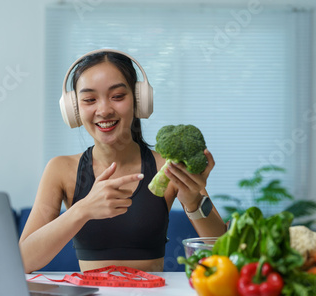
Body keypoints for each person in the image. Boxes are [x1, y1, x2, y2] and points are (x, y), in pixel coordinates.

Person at [19, 49, 226, 273]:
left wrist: (194, 201)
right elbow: (23, 262)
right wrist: (83, 209)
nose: (104, 110)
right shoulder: (61, 169)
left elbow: (225, 251)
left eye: (117, 96)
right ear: (74, 110)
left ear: (139, 100)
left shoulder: (166, 166)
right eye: (89, 99)